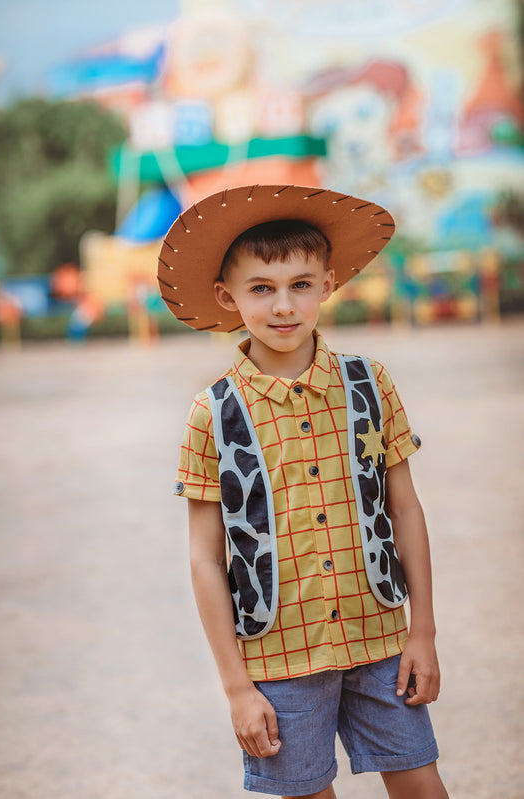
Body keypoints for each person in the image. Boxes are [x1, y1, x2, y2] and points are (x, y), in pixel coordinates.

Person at [159, 184, 448, 799]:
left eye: (301, 284)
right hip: (276, 659)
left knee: (423, 786)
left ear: (328, 284)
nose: (283, 305)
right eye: (261, 287)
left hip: (380, 639)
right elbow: (206, 557)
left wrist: (421, 632)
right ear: (227, 297)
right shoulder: (214, 412)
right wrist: (237, 687)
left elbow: (405, 510)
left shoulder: (370, 385)